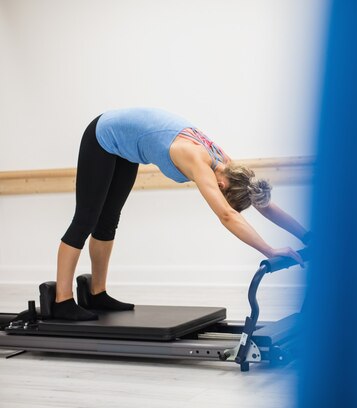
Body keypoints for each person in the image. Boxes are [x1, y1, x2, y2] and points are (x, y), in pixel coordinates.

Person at [54, 107, 310, 321]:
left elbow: (262, 202)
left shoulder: (230, 168)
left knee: (108, 221)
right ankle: (62, 299)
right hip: (103, 135)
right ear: (222, 187)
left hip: (125, 146)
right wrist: (270, 251)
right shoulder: (196, 158)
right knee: (86, 218)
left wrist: (308, 235)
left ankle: (97, 294)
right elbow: (227, 216)